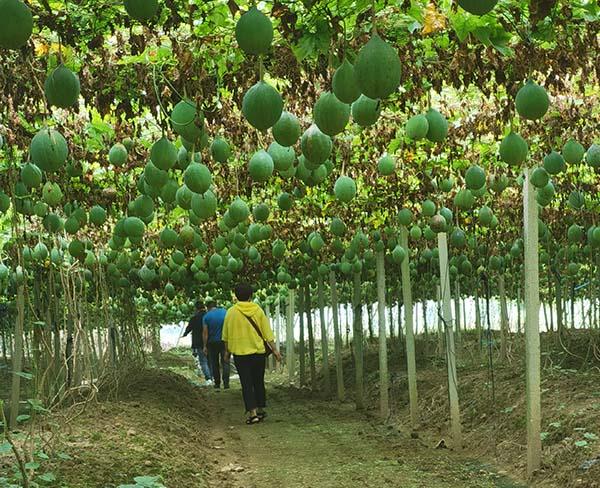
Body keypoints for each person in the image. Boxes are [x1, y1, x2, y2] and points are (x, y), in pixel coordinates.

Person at [222, 283, 282, 425]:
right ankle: (261, 409)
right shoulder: (257, 310)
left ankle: (253, 413)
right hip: (258, 353)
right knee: (258, 381)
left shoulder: (231, 312)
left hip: (240, 354)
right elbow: (267, 333)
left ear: (236, 296)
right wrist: (275, 350)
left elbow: (226, 335)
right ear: (251, 295)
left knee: (246, 383)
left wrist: (227, 352)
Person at [182, 301, 212, 386]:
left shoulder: (195, 318)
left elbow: (189, 328)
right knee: (210, 360)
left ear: (196, 308)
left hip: (199, 342)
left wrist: (185, 334)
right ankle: (212, 377)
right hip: (210, 341)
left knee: (203, 361)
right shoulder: (209, 316)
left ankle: (208, 378)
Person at [202, 300, 230, 390]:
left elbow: (205, 333)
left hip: (212, 343)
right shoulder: (225, 312)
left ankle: (217, 383)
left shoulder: (206, 316)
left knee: (214, 363)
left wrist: (205, 346)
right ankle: (226, 384)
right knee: (225, 361)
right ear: (216, 306)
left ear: (207, 307)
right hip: (224, 341)